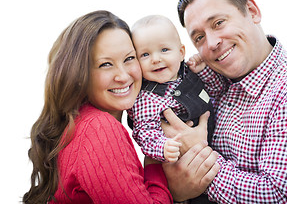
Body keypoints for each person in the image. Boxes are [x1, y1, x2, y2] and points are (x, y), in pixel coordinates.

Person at [160, 0, 287, 203]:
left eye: (218, 23)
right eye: (199, 37)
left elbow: (283, 198)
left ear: (252, 12)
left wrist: (198, 159)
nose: (212, 43)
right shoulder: (213, 81)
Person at [22, 10, 218, 203]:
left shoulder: (80, 121)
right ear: (79, 74)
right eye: (105, 64)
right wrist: (166, 179)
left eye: (129, 58)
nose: (123, 76)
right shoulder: (99, 128)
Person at [128, 15, 216, 203]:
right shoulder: (147, 98)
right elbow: (144, 132)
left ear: (181, 52)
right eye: (145, 55)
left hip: (215, 152)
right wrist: (162, 147)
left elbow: (215, 92)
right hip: (181, 165)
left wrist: (204, 70)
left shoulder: (189, 73)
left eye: (164, 50)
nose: (156, 59)